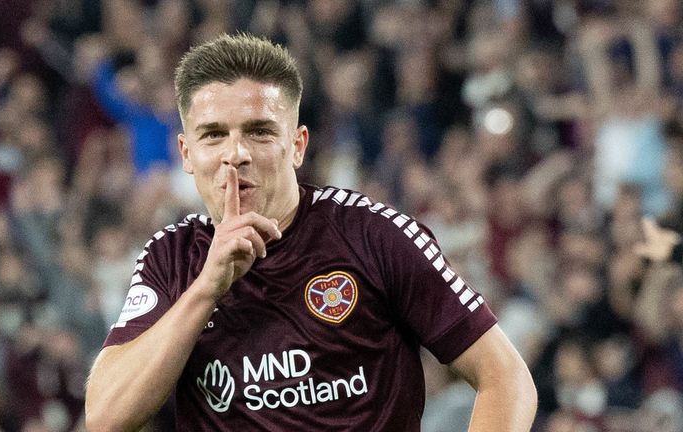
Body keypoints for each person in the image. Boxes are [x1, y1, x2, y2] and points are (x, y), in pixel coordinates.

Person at [84, 33, 537, 431]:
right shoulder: (171, 259)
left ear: (297, 145)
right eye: (214, 135)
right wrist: (207, 288)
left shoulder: (376, 236)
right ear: (186, 153)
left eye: (259, 132)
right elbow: (106, 416)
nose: (235, 153)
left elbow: (506, 378)